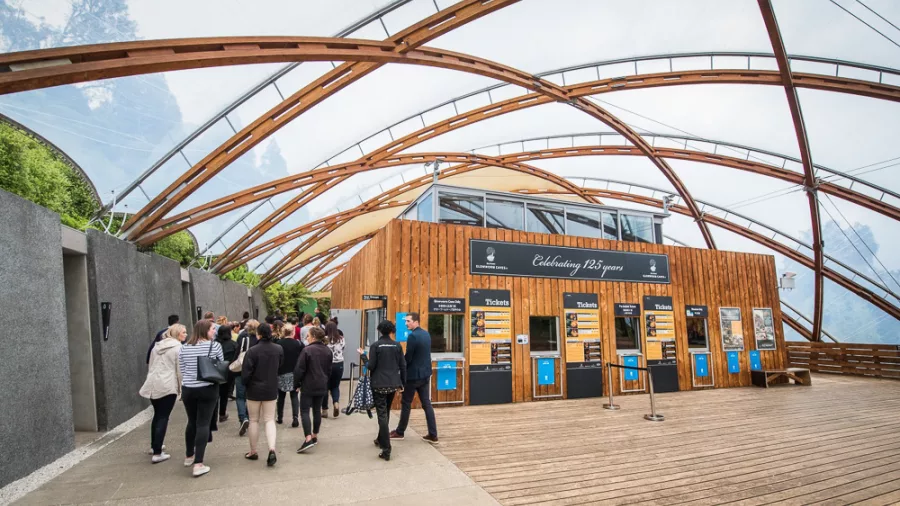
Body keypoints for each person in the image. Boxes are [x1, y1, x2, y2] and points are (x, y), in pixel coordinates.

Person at [178, 320, 223, 478]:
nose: (214, 332)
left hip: (189, 388)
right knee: (203, 423)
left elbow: (182, 369)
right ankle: (199, 463)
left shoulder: (184, 347)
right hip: (208, 387)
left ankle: (189, 455)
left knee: (191, 421)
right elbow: (219, 364)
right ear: (205, 331)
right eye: (212, 329)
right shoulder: (214, 346)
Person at [359, 319, 406, 461]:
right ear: (391, 331)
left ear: (379, 330)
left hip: (378, 384)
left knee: (382, 414)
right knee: (386, 411)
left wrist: (363, 355)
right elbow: (403, 366)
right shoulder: (397, 346)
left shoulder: (375, 346)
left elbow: (371, 366)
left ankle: (386, 449)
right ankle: (381, 439)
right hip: (392, 384)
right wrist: (402, 383)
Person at [139, 323, 185, 463]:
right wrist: (181, 388)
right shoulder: (178, 348)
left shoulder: (156, 347)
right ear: (177, 334)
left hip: (153, 384)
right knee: (163, 416)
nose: (186, 334)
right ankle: (157, 452)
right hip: (167, 384)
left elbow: (151, 365)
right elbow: (180, 370)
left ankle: (155, 446)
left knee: (158, 415)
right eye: (184, 332)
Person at [392, 312, 438, 444]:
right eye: (405, 321)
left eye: (408, 321)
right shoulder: (426, 334)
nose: (406, 323)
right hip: (425, 374)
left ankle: (400, 432)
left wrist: (400, 369)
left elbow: (408, 358)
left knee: (406, 403)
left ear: (416, 321)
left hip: (412, 376)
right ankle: (433, 434)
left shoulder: (412, 337)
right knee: (427, 404)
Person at [241, 322, 283, 467]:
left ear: (258, 334)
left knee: (253, 420)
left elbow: (245, 373)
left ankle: (253, 451)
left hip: (253, 389)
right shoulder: (278, 349)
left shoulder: (252, 351)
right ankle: (272, 448)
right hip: (271, 388)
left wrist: (245, 384)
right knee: (270, 419)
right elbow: (280, 366)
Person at [293, 327, 332, 453]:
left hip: (308, 384)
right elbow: (329, 369)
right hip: (322, 384)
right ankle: (315, 435)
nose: (306, 338)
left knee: (304, 411)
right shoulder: (327, 351)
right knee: (317, 410)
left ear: (314, 337)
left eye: (308, 336)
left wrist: (297, 384)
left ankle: (308, 437)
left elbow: (299, 370)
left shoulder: (307, 351)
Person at [235, 319, 259, 436]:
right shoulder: (259, 340)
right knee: (251, 396)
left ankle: (242, 418)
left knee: (240, 397)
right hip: (255, 371)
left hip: (241, 370)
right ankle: (249, 417)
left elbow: (236, 352)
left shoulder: (242, 337)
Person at [276, 324, 303, 427]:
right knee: (294, 396)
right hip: (294, 373)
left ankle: (280, 417)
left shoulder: (278, 343)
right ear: (293, 332)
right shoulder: (298, 344)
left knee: (281, 396)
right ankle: (295, 417)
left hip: (281, 372)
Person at [321, 321, 345, 419]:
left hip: (326, 364)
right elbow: (343, 349)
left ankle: (325, 410)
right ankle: (336, 403)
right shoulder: (341, 339)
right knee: (335, 386)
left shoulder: (323, 340)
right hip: (339, 364)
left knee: (325, 387)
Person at [216, 325, 237, 423]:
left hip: (216, 371)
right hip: (229, 371)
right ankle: (222, 414)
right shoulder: (233, 344)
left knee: (215, 393)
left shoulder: (215, 344)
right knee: (224, 394)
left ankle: (213, 413)